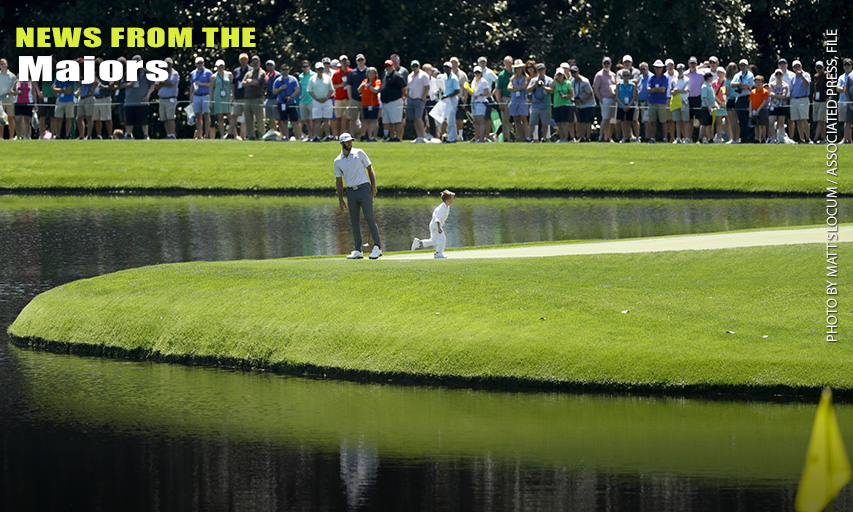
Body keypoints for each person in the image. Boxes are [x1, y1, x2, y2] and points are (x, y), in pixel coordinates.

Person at [334, 132, 382, 260]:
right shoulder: (337, 161)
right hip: (351, 192)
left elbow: (370, 169)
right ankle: (358, 249)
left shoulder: (359, 153)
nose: (349, 143)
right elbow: (339, 181)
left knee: (369, 217)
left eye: (350, 141)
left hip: (364, 189)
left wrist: (373, 186)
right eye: (347, 142)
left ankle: (377, 247)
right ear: (341, 143)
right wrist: (340, 199)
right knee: (354, 221)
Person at [411, 190, 455, 259]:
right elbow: (437, 218)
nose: (453, 200)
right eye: (452, 199)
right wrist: (439, 228)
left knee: (434, 241)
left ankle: (419, 242)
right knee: (442, 239)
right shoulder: (442, 207)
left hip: (434, 225)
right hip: (436, 225)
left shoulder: (446, 206)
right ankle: (438, 253)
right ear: (447, 200)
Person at [122, 55, 155, 140]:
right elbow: (120, 85)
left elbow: (152, 85)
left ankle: (146, 135)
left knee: (143, 120)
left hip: (142, 101)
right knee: (129, 121)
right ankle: (128, 135)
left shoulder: (146, 72)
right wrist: (129, 84)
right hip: (129, 101)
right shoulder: (128, 73)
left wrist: (148, 95)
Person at [272, 63, 301, 141]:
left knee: (295, 121)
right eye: (284, 70)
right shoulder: (278, 80)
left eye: (287, 69)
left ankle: (300, 136)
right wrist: (281, 88)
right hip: (281, 103)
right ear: (281, 71)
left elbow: (296, 90)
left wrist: (290, 97)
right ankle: (285, 136)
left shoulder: (293, 79)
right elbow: (274, 91)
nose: (285, 71)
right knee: (284, 121)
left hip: (291, 103)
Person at [380, 59, 407, 141]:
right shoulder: (386, 75)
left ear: (393, 66)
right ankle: (391, 137)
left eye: (389, 66)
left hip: (395, 101)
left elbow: (404, 87)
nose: (388, 67)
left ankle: (398, 137)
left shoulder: (397, 76)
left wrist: (403, 96)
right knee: (390, 122)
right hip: (386, 102)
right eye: (386, 66)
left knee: (397, 121)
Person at [527, 63, 553, 143]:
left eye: (542, 69)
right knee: (532, 122)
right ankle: (529, 137)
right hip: (535, 105)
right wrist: (534, 85)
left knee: (545, 123)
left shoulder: (549, 80)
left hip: (545, 105)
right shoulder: (533, 80)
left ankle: (544, 138)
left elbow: (552, 90)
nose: (540, 71)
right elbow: (528, 90)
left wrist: (543, 87)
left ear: (545, 70)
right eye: (539, 70)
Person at [241, 55, 266, 140]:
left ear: (259, 63)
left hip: (257, 99)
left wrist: (249, 81)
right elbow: (243, 83)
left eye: (257, 62)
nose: (255, 64)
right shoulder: (249, 73)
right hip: (247, 99)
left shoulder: (262, 72)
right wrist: (250, 82)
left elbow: (257, 82)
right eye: (253, 62)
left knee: (259, 119)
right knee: (248, 119)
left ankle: (261, 135)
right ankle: (250, 135)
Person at [593, 57, 617, 142]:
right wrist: (600, 99)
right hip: (605, 99)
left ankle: (608, 137)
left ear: (610, 64)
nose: (606, 65)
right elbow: (595, 89)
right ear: (602, 64)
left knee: (611, 119)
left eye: (608, 63)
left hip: (613, 99)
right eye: (605, 63)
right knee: (605, 118)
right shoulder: (599, 75)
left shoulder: (613, 75)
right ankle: (601, 137)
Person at [155, 57, 180, 139]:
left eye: (169, 64)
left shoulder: (174, 73)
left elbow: (170, 83)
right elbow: (156, 85)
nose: (167, 66)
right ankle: (168, 134)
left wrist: (161, 82)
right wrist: (162, 82)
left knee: (170, 118)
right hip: (162, 99)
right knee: (164, 118)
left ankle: (172, 134)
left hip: (170, 99)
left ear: (171, 65)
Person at [308, 61, 333, 141]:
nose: (320, 70)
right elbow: (310, 91)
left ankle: (327, 136)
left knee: (326, 119)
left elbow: (331, 90)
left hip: (327, 101)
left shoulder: (327, 78)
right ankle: (316, 136)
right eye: (319, 69)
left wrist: (326, 98)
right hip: (316, 101)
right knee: (317, 120)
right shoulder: (312, 79)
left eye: (321, 69)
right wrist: (317, 99)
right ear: (315, 69)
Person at [406, 60, 430, 142]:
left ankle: (422, 137)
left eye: (416, 66)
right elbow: (408, 88)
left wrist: (422, 98)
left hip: (419, 99)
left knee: (418, 117)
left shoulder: (423, 75)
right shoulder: (410, 76)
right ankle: (418, 136)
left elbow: (427, 87)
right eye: (413, 66)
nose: (415, 68)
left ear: (419, 66)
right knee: (414, 118)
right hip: (411, 99)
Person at [730, 59, 754, 143]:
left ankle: (750, 138)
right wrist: (740, 84)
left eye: (744, 65)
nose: (742, 67)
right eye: (741, 65)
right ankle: (743, 138)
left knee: (748, 119)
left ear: (747, 66)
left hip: (747, 98)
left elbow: (746, 86)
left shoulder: (750, 75)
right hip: (739, 99)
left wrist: (739, 85)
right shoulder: (737, 75)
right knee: (741, 120)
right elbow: (731, 84)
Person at [646, 59, 669, 143]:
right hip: (652, 102)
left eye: (659, 67)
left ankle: (665, 138)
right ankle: (652, 138)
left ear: (662, 68)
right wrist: (657, 89)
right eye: (656, 67)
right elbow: (648, 89)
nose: (658, 69)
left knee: (663, 121)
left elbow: (663, 90)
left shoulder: (665, 78)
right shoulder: (651, 78)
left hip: (662, 102)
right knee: (652, 121)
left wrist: (654, 90)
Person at [789, 60, 811, 143]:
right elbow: (791, 91)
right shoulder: (793, 78)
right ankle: (802, 138)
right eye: (795, 67)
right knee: (798, 120)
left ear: (801, 66)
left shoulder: (806, 75)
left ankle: (808, 138)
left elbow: (807, 84)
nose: (797, 68)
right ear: (793, 68)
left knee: (804, 119)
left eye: (798, 66)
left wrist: (801, 76)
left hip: (803, 99)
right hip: (794, 100)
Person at [190, 57, 213, 140]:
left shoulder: (208, 72)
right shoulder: (193, 73)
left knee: (206, 115)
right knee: (197, 116)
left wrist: (201, 83)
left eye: (201, 63)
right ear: (195, 64)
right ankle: (199, 135)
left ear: (203, 63)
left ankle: (206, 134)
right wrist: (191, 98)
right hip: (196, 96)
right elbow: (191, 86)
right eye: (198, 63)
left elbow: (211, 84)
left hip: (205, 95)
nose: (200, 64)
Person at [347, 54, 368, 139]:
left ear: (365, 60)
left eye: (362, 60)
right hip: (354, 99)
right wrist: (350, 98)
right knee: (352, 119)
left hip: (365, 99)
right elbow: (349, 86)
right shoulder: (353, 72)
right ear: (356, 62)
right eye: (359, 60)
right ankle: (352, 135)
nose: (360, 62)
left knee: (364, 119)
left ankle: (362, 135)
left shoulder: (368, 71)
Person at [229, 53, 250, 140]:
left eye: (245, 59)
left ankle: (243, 137)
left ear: (247, 60)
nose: (243, 61)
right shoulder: (236, 71)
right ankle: (230, 134)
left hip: (247, 98)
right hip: (238, 98)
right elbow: (233, 84)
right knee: (234, 116)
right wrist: (233, 96)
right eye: (242, 59)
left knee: (245, 120)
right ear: (239, 60)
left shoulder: (251, 70)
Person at [357, 67, 381, 141]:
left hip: (373, 104)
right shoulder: (364, 81)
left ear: (375, 74)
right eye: (369, 73)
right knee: (366, 120)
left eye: (372, 73)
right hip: (365, 104)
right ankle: (367, 136)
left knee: (374, 120)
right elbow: (359, 91)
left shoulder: (377, 81)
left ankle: (374, 136)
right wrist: (362, 86)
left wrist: (369, 86)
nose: (371, 74)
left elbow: (376, 90)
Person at [571, 65, 595, 142]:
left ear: (578, 72)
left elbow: (590, 93)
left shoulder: (584, 81)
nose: (573, 74)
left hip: (588, 104)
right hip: (580, 105)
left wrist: (581, 100)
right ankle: (582, 137)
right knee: (581, 121)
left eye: (574, 72)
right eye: (572, 72)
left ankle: (588, 137)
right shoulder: (572, 82)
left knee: (588, 122)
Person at [211, 59, 232, 139]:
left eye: (222, 66)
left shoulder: (229, 74)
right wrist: (211, 101)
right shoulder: (213, 76)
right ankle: (222, 135)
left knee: (230, 116)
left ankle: (233, 134)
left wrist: (232, 97)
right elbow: (211, 90)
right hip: (217, 97)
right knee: (220, 117)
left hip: (227, 97)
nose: (221, 67)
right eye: (219, 66)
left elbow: (231, 86)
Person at [669, 63, 691, 143]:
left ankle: (687, 138)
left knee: (685, 120)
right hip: (675, 101)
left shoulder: (687, 79)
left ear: (684, 70)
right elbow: (670, 91)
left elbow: (686, 90)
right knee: (677, 120)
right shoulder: (673, 80)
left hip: (684, 101)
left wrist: (677, 90)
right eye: (679, 70)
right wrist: (674, 92)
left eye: (682, 70)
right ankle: (678, 138)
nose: (680, 71)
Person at [509, 59, 529, 142]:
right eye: (517, 68)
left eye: (520, 68)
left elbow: (523, 87)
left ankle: (527, 136)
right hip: (514, 100)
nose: (518, 69)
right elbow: (509, 87)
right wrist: (516, 88)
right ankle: (520, 136)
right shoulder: (513, 77)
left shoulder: (526, 77)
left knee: (523, 118)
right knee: (516, 119)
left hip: (522, 99)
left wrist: (515, 88)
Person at [332, 56, 352, 139]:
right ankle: (338, 135)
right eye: (342, 61)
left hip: (348, 98)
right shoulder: (336, 73)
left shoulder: (351, 72)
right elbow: (334, 86)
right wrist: (341, 85)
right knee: (338, 118)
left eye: (345, 60)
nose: (344, 62)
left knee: (348, 118)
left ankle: (348, 135)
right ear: (340, 62)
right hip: (339, 98)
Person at [767, 69, 790, 143]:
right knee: (771, 122)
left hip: (782, 106)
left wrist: (775, 95)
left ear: (782, 75)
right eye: (777, 74)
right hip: (773, 106)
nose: (778, 76)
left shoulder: (785, 85)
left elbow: (784, 96)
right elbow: (770, 94)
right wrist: (779, 96)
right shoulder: (771, 84)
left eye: (780, 74)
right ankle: (773, 139)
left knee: (781, 122)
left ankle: (780, 139)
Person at [469, 66, 491, 142]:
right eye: (476, 73)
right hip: (474, 103)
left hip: (481, 102)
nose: (477, 74)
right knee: (476, 121)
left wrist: (479, 95)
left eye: (478, 72)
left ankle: (481, 139)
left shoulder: (484, 81)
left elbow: (487, 93)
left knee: (481, 120)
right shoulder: (473, 81)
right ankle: (477, 137)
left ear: (481, 73)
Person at [552, 67, 573, 142]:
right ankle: (561, 137)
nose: (559, 76)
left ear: (564, 75)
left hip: (565, 104)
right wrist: (554, 79)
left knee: (564, 122)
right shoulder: (555, 83)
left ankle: (566, 138)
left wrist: (565, 96)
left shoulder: (567, 83)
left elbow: (571, 94)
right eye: (558, 74)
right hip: (556, 104)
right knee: (558, 122)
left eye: (561, 74)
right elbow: (551, 89)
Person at [495, 56, 513, 141]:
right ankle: (506, 138)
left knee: (517, 119)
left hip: (515, 98)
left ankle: (519, 137)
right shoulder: (502, 75)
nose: (509, 64)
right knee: (505, 120)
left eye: (510, 62)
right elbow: (498, 90)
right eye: (507, 62)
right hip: (505, 98)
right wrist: (500, 102)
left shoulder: (515, 73)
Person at [615, 69, 637, 142]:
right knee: (619, 121)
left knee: (628, 122)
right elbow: (617, 96)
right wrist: (622, 105)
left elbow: (634, 97)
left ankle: (627, 137)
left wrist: (628, 106)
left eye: (628, 75)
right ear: (622, 76)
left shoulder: (632, 85)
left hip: (630, 106)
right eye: (624, 75)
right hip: (621, 105)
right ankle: (619, 138)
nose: (626, 77)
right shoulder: (618, 84)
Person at [685, 56, 704, 140]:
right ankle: (689, 138)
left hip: (698, 98)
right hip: (688, 98)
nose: (692, 65)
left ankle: (703, 138)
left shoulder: (701, 75)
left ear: (696, 64)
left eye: (694, 63)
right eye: (691, 63)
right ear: (688, 64)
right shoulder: (685, 74)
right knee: (689, 119)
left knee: (701, 119)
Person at [441, 62, 460, 143]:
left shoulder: (454, 78)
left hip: (452, 100)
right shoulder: (444, 77)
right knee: (449, 119)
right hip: (446, 100)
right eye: (445, 67)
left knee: (451, 119)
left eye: (447, 67)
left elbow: (457, 91)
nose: (446, 69)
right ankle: (453, 136)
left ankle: (451, 138)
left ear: (451, 68)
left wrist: (447, 96)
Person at [52, 74, 75, 139]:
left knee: (68, 119)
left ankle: (67, 135)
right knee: (58, 118)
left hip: (69, 101)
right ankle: (58, 135)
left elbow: (69, 91)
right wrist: (63, 90)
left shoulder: (71, 78)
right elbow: (53, 88)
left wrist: (59, 90)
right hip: (59, 100)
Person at [0, 58, 18, 139]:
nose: (3, 65)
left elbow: (15, 89)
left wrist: (11, 92)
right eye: (1, 64)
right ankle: (1, 137)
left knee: (11, 117)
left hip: (10, 99)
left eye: (4, 63)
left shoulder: (12, 76)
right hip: (0, 99)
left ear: (7, 65)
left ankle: (11, 137)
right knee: (1, 118)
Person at [263, 59, 280, 138]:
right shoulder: (267, 76)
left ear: (274, 66)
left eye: (271, 65)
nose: (269, 67)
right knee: (270, 118)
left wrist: (278, 98)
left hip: (276, 99)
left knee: (278, 118)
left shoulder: (278, 75)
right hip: (269, 98)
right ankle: (274, 133)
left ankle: (282, 134)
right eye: (268, 65)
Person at [749, 75, 769, 143]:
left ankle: (763, 138)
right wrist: (750, 111)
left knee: (763, 125)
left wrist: (758, 110)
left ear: (762, 83)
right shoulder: (752, 91)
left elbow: (764, 102)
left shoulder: (765, 91)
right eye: (756, 82)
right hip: (754, 109)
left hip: (762, 110)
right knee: (756, 125)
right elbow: (751, 102)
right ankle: (757, 138)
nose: (758, 83)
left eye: (759, 82)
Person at [75, 74, 95, 139]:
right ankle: (81, 136)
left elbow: (96, 82)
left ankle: (89, 136)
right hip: (81, 98)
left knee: (89, 117)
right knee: (78, 118)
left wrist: (91, 90)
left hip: (89, 97)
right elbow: (81, 85)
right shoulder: (81, 76)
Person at [724, 62, 741, 143]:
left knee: (732, 121)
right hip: (737, 100)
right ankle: (737, 137)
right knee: (737, 121)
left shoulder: (727, 80)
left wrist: (723, 92)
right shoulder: (737, 79)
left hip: (731, 100)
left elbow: (727, 92)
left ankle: (734, 139)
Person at [711, 67, 729, 143]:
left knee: (729, 122)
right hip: (718, 104)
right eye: (718, 72)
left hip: (726, 104)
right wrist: (720, 103)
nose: (719, 74)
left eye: (721, 72)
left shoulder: (727, 82)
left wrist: (725, 102)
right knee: (718, 122)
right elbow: (714, 95)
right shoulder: (714, 83)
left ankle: (731, 137)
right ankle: (719, 137)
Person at [812, 61, 828, 144]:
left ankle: (815, 138)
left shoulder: (826, 75)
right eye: (817, 68)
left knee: (820, 120)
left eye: (820, 67)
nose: (819, 69)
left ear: (823, 68)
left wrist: (830, 97)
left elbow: (831, 85)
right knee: (821, 121)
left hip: (823, 101)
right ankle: (823, 139)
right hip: (816, 100)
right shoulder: (815, 76)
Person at [636, 62, 651, 141]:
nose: (642, 70)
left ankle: (648, 137)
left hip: (647, 102)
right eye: (641, 69)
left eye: (644, 69)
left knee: (647, 121)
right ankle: (646, 136)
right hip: (641, 102)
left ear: (647, 68)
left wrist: (648, 100)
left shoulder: (651, 76)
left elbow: (650, 90)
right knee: (644, 121)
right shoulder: (640, 77)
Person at [838, 59, 852, 144]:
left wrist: (845, 89)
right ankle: (847, 139)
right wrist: (844, 89)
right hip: (842, 101)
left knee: (849, 121)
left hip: (851, 101)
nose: (847, 67)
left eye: (849, 65)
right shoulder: (841, 77)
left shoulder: (852, 75)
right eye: (845, 65)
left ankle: (847, 139)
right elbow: (838, 89)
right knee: (846, 121)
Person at [699, 72, 716, 143]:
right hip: (706, 108)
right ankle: (700, 138)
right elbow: (704, 98)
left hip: (711, 107)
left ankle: (711, 138)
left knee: (710, 124)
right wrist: (709, 107)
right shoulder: (704, 86)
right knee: (704, 124)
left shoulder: (710, 86)